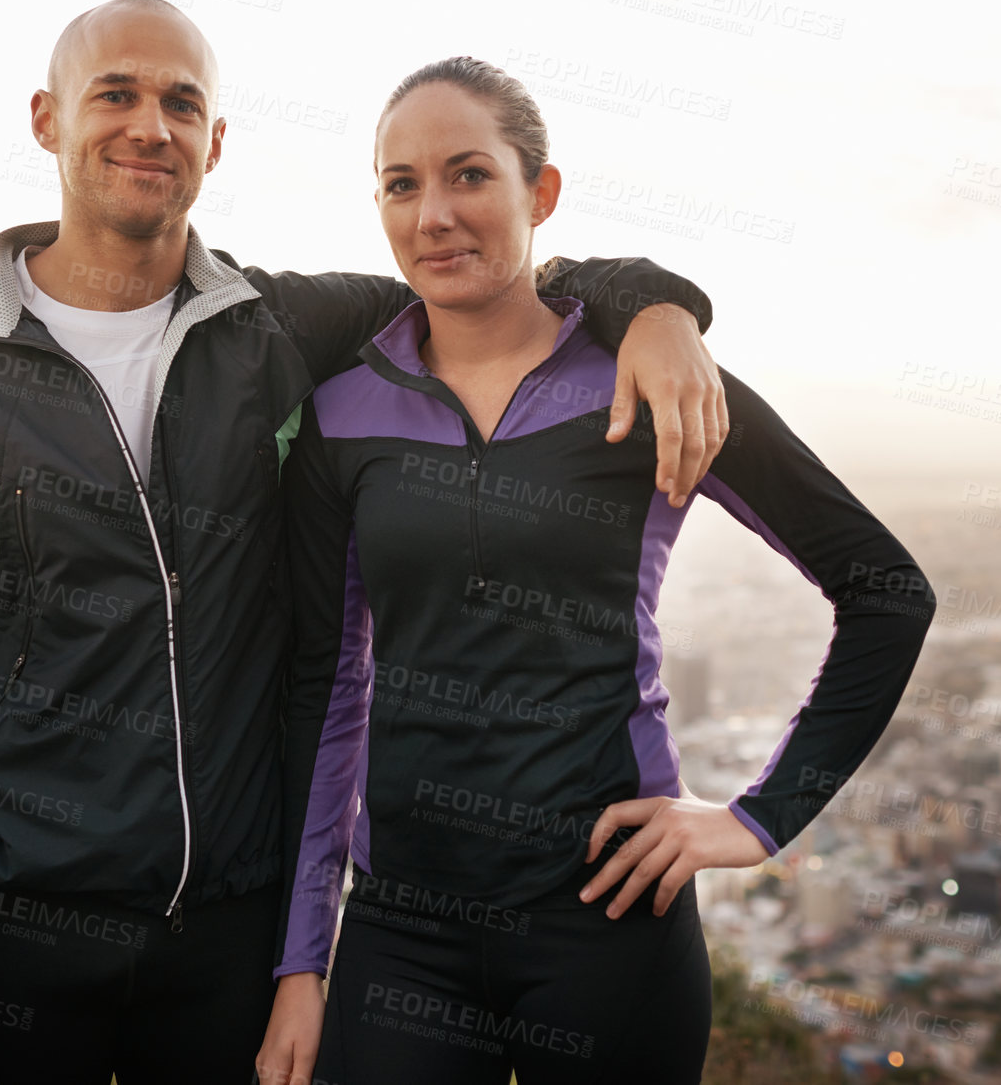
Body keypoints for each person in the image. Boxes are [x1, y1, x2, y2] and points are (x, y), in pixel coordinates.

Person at [0, 0, 728, 1085]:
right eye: (117, 94)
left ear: (215, 143)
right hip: (15, 941)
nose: (150, 124)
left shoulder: (287, 332)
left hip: (232, 950)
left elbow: (489, 280)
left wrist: (659, 305)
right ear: (49, 120)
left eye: (181, 103)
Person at [259, 57, 937, 1085]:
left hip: (610, 919)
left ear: (542, 193)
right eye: (402, 184)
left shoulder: (650, 379)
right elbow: (330, 686)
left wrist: (759, 820)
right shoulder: (345, 411)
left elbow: (886, 591)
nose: (433, 213)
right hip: (403, 926)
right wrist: (302, 958)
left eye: (469, 175)